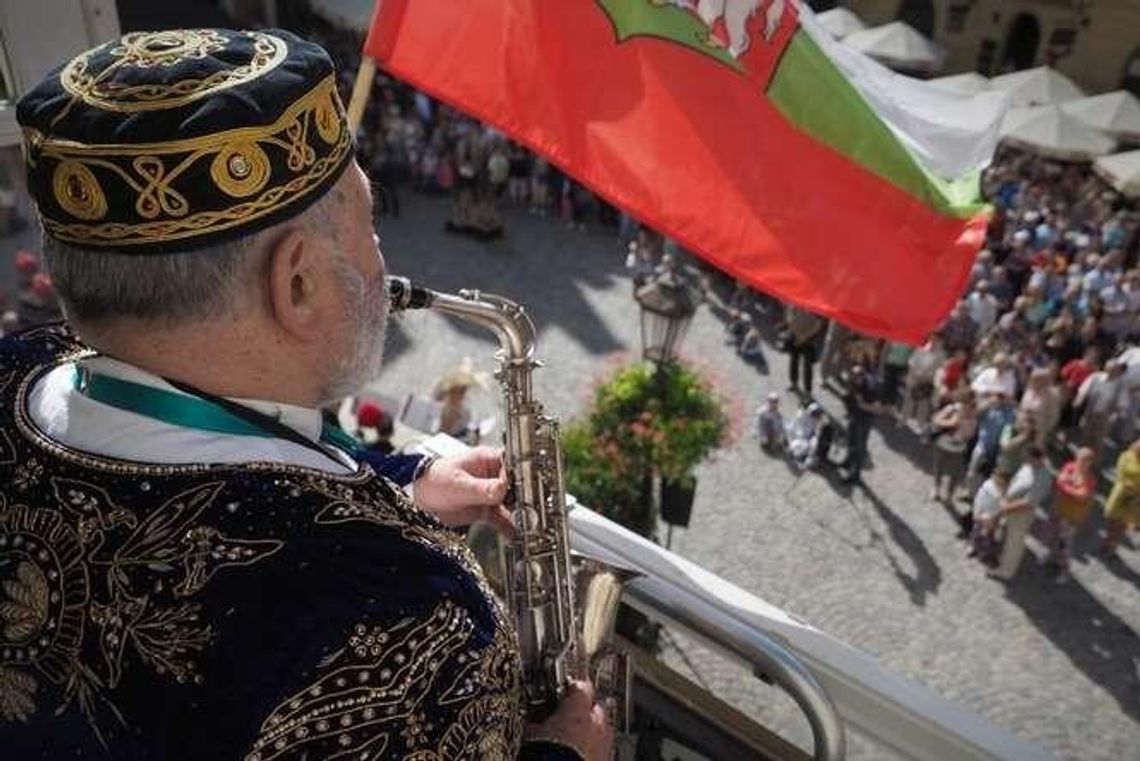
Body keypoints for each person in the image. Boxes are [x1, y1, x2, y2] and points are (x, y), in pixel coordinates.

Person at [3, 29, 607, 760]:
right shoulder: (405, 617)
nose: (384, 263)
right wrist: (565, 751)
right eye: (369, 226)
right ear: (295, 284)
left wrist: (401, 484)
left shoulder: (19, 365)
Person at [989, 446, 1051, 580]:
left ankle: (1006, 571)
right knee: (1006, 534)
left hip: (1021, 513)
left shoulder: (1042, 477)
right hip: (1010, 505)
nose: (1025, 461)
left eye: (1028, 459)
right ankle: (1002, 557)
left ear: (1037, 459)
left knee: (1014, 542)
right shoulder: (1029, 466)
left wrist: (1006, 507)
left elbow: (1028, 502)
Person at [1047, 447, 1097, 582]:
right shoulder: (1070, 466)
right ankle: (1051, 557)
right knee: (1052, 536)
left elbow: (1082, 495)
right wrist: (1072, 487)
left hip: (1071, 517)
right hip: (1058, 509)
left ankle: (1063, 571)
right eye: (1079, 458)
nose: (1080, 462)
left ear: (1090, 462)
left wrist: (1066, 485)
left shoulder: (1089, 479)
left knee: (1065, 544)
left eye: (1085, 460)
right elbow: (1060, 480)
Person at [928, 391, 978, 504]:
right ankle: (936, 488)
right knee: (938, 467)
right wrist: (950, 423)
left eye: (968, 402)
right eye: (964, 402)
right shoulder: (952, 409)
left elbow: (971, 434)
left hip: (959, 448)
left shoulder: (974, 415)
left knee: (954, 473)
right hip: (942, 443)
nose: (965, 406)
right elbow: (936, 419)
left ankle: (949, 494)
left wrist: (966, 431)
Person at [839, 364, 880, 484]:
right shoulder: (852, 383)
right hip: (854, 416)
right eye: (853, 376)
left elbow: (877, 409)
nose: (855, 379)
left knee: (859, 447)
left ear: (863, 376)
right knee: (851, 441)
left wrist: (862, 404)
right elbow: (848, 397)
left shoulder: (871, 387)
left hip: (864, 420)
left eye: (858, 376)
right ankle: (848, 461)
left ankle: (855, 474)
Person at [1102, 438, 1140, 554]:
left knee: (1123, 523)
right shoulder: (1127, 456)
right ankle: (1108, 540)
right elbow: (1120, 471)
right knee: (1112, 519)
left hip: (1135, 497)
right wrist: (1127, 483)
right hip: (1121, 492)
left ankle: (1112, 546)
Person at [970, 468, 1011, 565]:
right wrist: (976, 513)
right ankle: (974, 548)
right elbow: (996, 497)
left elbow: (1003, 504)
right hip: (982, 514)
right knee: (977, 533)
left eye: (1002, 480)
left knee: (989, 536)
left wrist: (1001, 517)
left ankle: (986, 553)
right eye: (996, 477)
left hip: (993, 517)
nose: (998, 480)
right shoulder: (988, 485)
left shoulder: (1005, 489)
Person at [784, 306, 825, 396]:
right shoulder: (798, 302)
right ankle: (794, 383)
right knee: (794, 361)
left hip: (808, 340)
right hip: (795, 335)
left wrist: (805, 336)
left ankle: (808, 390)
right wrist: (797, 333)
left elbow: (818, 324)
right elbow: (789, 315)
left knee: (807, 366)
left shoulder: (817, 305)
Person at [787, 402, 827, 470]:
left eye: (818, 413)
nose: (817, 415)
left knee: (814, 443)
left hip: (808, 438)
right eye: (816, 413)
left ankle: (808, 459)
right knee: (798, 448)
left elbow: (817, 432)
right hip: (800, 438)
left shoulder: (817, 420)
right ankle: (799, 459)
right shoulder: (802, 416)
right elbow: (794, 427)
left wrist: (818, 427)